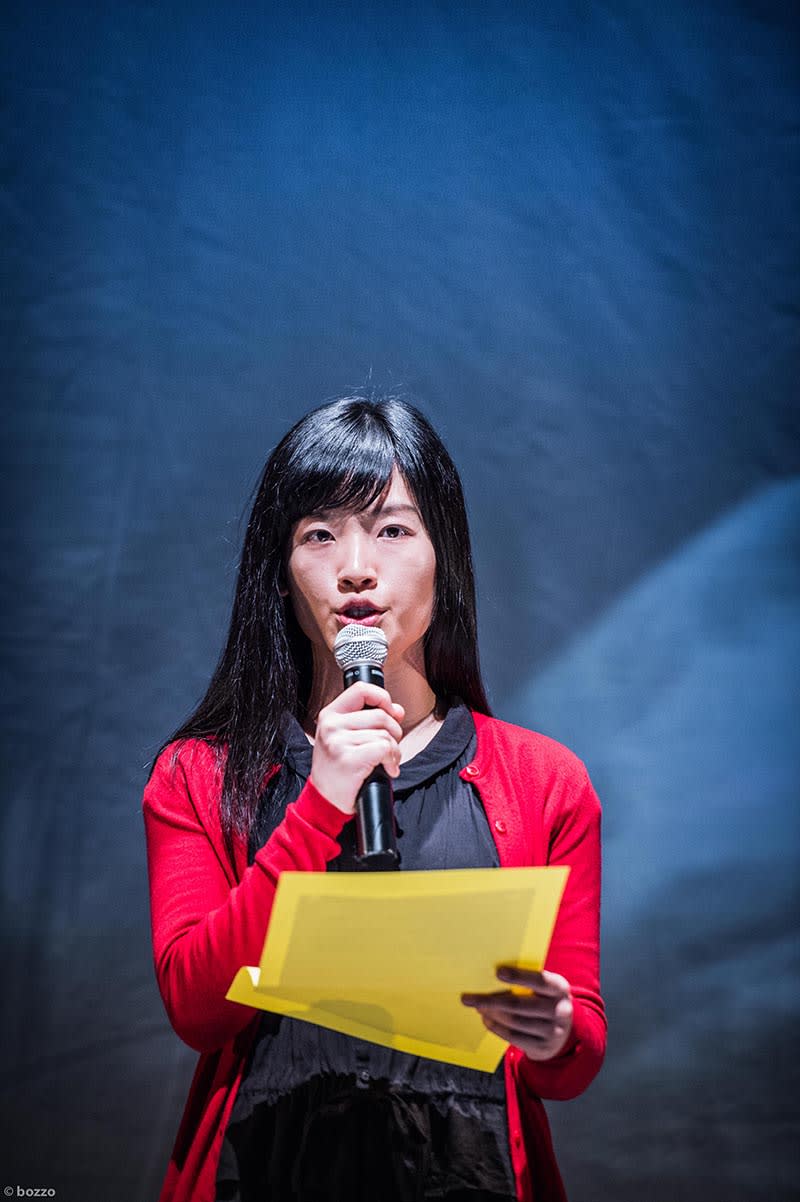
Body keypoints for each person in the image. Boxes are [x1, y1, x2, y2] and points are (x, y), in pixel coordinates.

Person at [143, 394, 605, 1202]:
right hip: (267, 1168)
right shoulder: (198, 775)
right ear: (280, 574)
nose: (356, 566)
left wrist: (556, 1031)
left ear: (444, 558)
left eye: (392, 529)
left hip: (469, 1172)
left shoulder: (544, 781)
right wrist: (321, 803)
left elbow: (570, 1062)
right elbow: (195, 1007)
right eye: (319, 534)